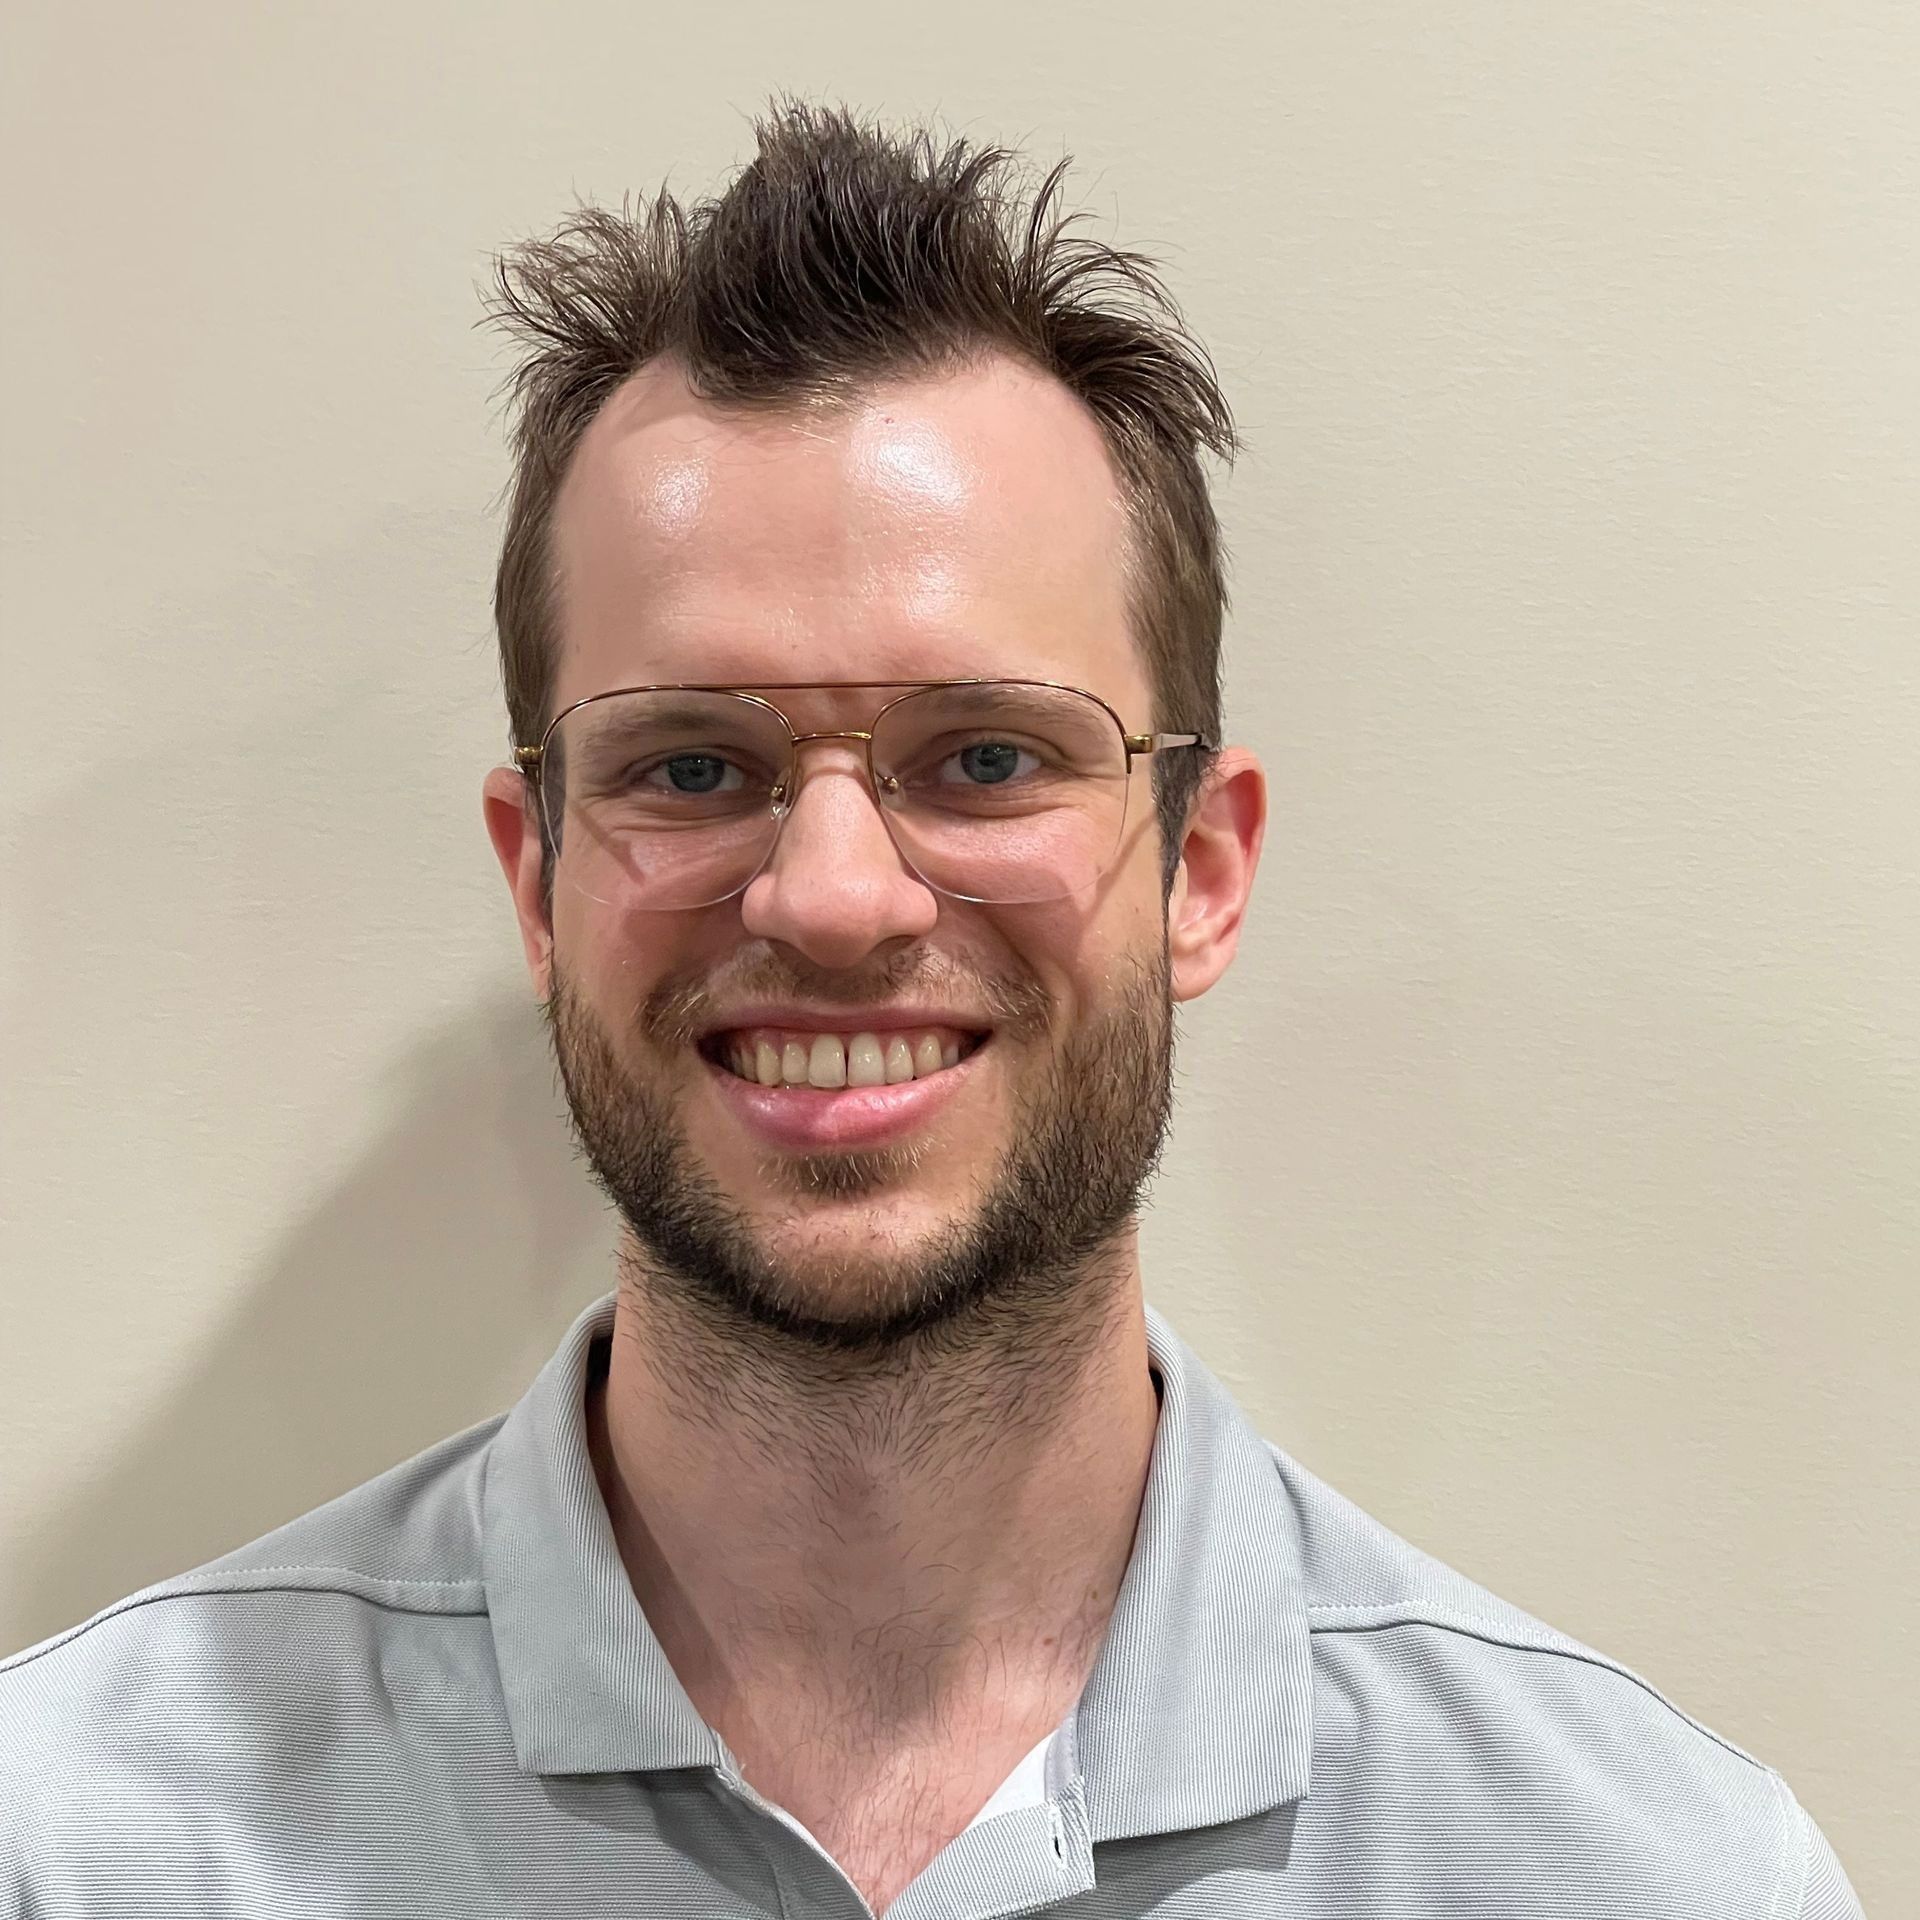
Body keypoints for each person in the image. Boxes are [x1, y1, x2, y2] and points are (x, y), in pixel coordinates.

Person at [1, 101, 1864, 1920]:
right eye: (689, 764)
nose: (830, 893)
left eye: (984, 755)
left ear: (1200, 866)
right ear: (534, 879)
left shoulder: (1651, 1874)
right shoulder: (79, 1840)